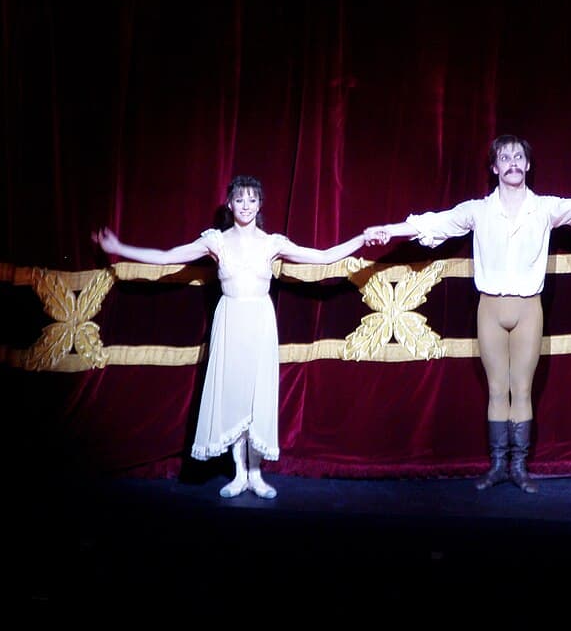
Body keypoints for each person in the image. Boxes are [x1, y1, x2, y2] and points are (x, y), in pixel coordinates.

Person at [365, 135, 571, 493]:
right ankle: (497, 466)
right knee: (497, 389)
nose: (512, 162)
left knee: (522, 389)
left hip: (528, 309)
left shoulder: (544, 208)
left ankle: (519, 467)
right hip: (490, 309)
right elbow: (433, 224)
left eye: (518, 157)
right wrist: (388, 230)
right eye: (504, 157)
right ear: (495, 168)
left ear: (527, 165)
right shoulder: (478, 211)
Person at [94, 174, 385, 499]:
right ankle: (239, 473)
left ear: (259, 204)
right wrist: (119, 248)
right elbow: (166, 257)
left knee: (257, 393)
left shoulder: (272, 243)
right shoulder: (214, 241)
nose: (246, 205)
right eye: (240, 199)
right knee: (233, 393)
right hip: (230, 319)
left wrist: (361, 238)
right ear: (230, 204)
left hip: (260, 320)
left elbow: (323, 256)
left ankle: (257, 473)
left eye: (252, 199)